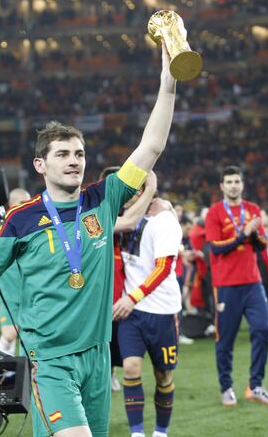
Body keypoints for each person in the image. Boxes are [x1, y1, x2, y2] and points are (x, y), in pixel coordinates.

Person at [0, 43, 176, 437]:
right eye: (63, 154)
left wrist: (169, 82)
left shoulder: (102, 200)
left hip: (97, 356)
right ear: (41, 164)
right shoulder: (20, 220)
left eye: (79, 153)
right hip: (50, 360)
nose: (74, 160)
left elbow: (152, 146)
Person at [205, 165, 268, 406]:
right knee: (225, 340)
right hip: (226, 285)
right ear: (222, 186)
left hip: (252, 282)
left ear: (242, 184)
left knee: (262, 329)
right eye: (229, 182)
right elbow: (215, 247)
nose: (234, 185)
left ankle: (255, 385)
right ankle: (226, 387)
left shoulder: (253, 209)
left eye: (237, 181)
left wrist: (255, 235)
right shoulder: (215, 213)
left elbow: (260, 245)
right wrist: (242, 234)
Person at [113, 192, 182, 437]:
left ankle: (161, 432)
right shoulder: (121, 215)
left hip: (161, 309)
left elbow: (163, 268)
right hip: (132, 312)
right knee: (131, 368)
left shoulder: (163, 219)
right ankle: (137, 433)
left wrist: (132, 297)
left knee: (163, 375)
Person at [99, 167, 158, 392]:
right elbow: (129, 223)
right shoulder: (96, 212)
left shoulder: (123, 210)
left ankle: (111, 372)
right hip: (99, 292)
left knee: (114, 340)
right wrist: (149, 190)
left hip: (121, 290)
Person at [0, 187, 31, 355]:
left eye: (28, 203)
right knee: (10, 334)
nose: (26, 206)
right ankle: (0, 365)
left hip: (29, 289)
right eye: (21, 203)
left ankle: (16, 375)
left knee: (27, 335)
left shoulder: (34, 226)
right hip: (8, 290)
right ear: (11, 205)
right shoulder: (1, 228)